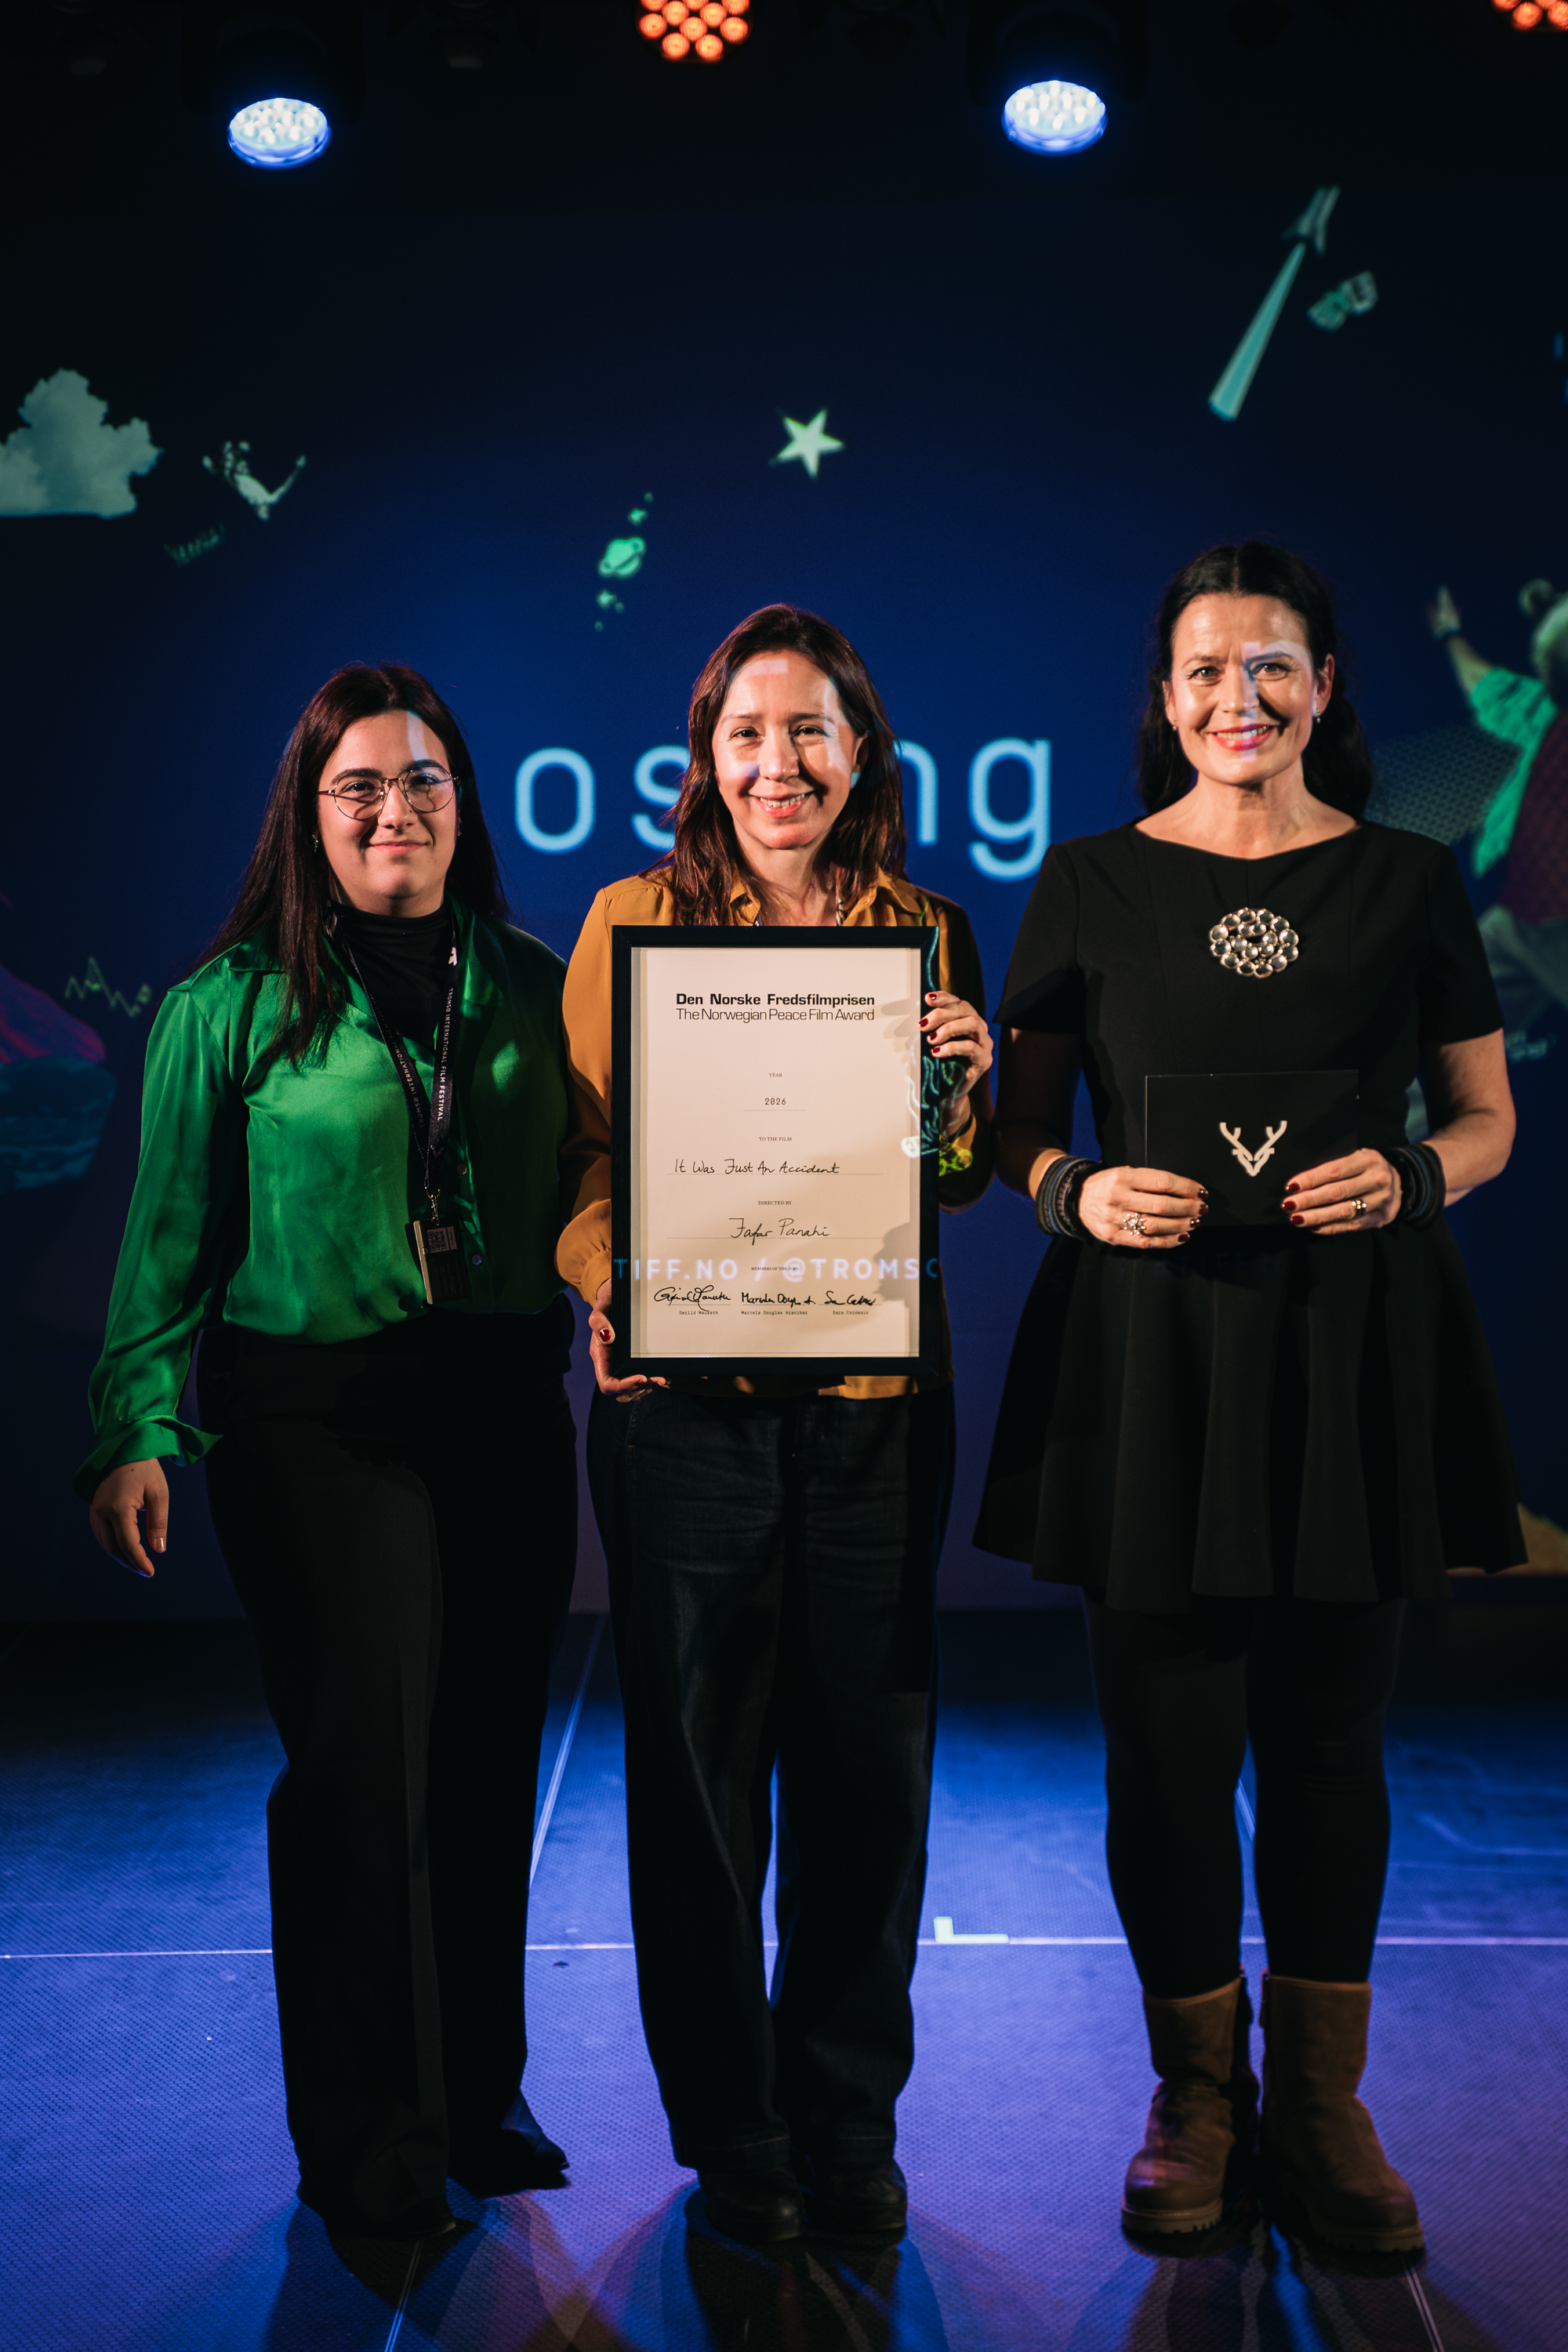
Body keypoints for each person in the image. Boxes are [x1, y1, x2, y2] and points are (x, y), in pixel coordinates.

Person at [977, 544, 1522, 2258]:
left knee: (1328, 1742)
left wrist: (1411, 1182)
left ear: (1328, 687)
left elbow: (1485, 1118)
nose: (1240, 698)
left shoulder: (1410, 880)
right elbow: (1006, 1134)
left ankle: (1322, 2106)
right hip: (1150, 1367)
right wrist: (1074, 1194)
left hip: (1348, 1357)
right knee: (1163, 1752)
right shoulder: (1083, 883)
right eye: (1207, 670)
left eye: (1273, 666)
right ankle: (1195, 2100)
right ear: (1163, 698)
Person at [76, 665, 577, 2244]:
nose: (393, 809)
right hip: (313, 1419)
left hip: (502, 1409)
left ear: (462, 805)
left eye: (423, 779)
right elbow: (161, 1245)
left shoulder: (534, 981)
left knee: (488, 1762)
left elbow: (604, 1182)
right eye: (357, 784)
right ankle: (366, 2137)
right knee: (369, 1767)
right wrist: (134, 1427)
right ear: (308, 814)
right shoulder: (223, 1005)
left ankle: (474, 2094)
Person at [557, 604, 994, 2247]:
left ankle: (845, 2118)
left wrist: (960, 1092)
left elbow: (944, 1177)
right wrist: (617, 1285)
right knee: (693, 1777)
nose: (779, 762)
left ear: (861, 752)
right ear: (707, 755)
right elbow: (583, 1163)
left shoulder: (928, 931)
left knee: (867, 1771)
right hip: (690, 1411)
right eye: (748, 732)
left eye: (809, 731)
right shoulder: (630, 921)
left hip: (876, 1408)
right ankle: (731, 2134)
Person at [1427, 578, 1568, 1062]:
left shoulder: (1543, 710)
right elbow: (1485, 684)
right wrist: (1450, 634)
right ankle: (1385, 1131)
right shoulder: (1541, 709)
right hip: (1519, 917)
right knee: (1444, 1040)